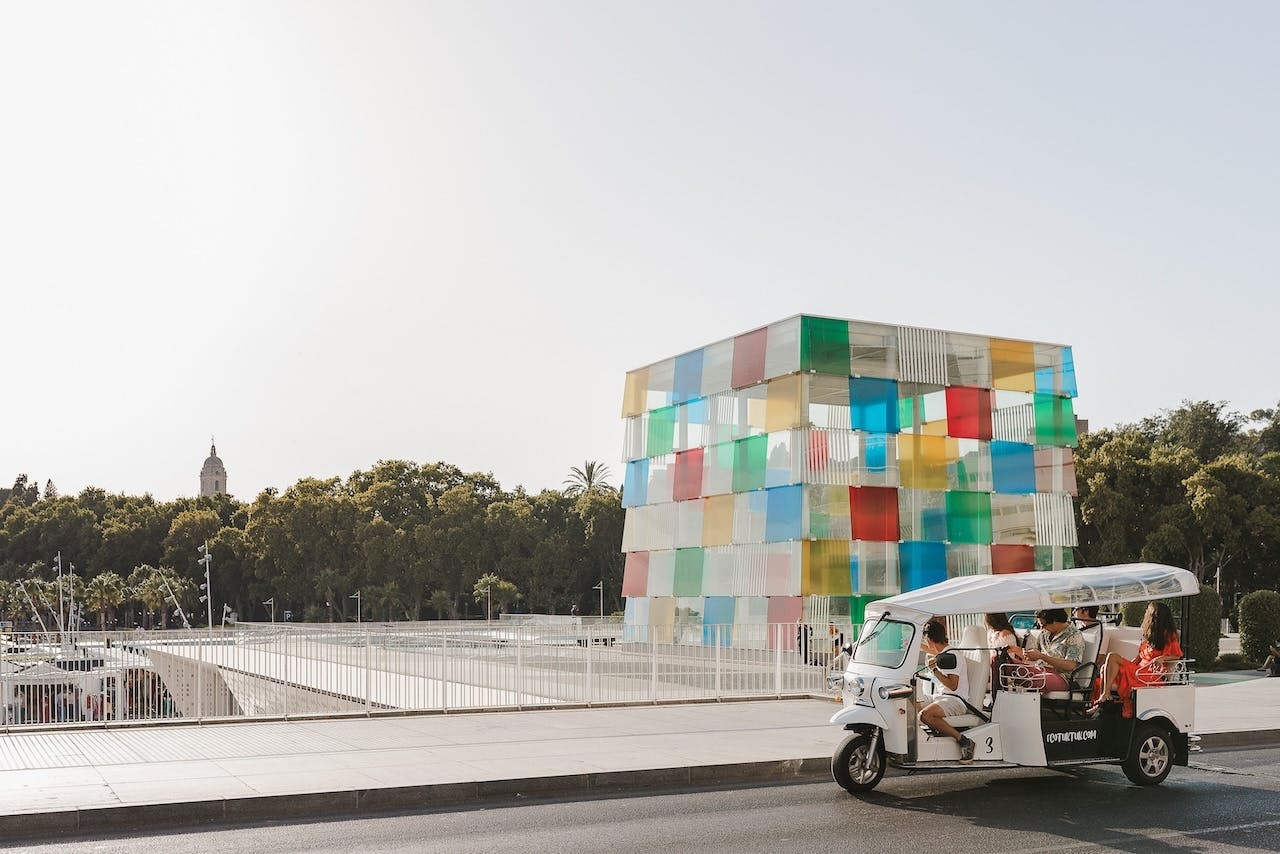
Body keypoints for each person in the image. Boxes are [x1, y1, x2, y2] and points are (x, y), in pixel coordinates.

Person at [1089, 601, 1183, 716]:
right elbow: (1138, 658)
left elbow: (1176, 655)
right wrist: (1123, 665)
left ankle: (1105, 695)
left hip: (1147, 675)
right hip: (1138, 670)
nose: (1145, 613)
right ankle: (1099, 704)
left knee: (1112, 656)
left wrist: (1162, 658)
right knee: (1104, 668)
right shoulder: (1150, 636)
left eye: (1147, 611)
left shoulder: (1169, 635)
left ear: (1153, 615)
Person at [917, 617, 977, 763]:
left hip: (955, 700)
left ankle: (963, 741)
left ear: (929, 639)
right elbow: (931, 649)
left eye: (925, 639)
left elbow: (953, 685)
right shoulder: (943, 652)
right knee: (909, 701)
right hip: (941, 696)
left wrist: (935, 671)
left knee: (925, 715)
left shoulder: (952, 656)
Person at [1021, 608, 1085, 692]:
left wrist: (1042, 656)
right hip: (1040, 670)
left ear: (1055, 621)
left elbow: (1070, 665)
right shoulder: (1044, 634)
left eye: (1043, 625)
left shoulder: (1074, 635)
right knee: (1008, 667)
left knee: (1033, 680)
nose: (1041, 628)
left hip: (1061, 677)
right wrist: (1030, 655)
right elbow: (1036, 652)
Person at [984, 613, 1023, 695]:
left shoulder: (1005, 634)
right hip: (993, 666)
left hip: (1004, 667)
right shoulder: (991, 633)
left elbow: (1004, 656)